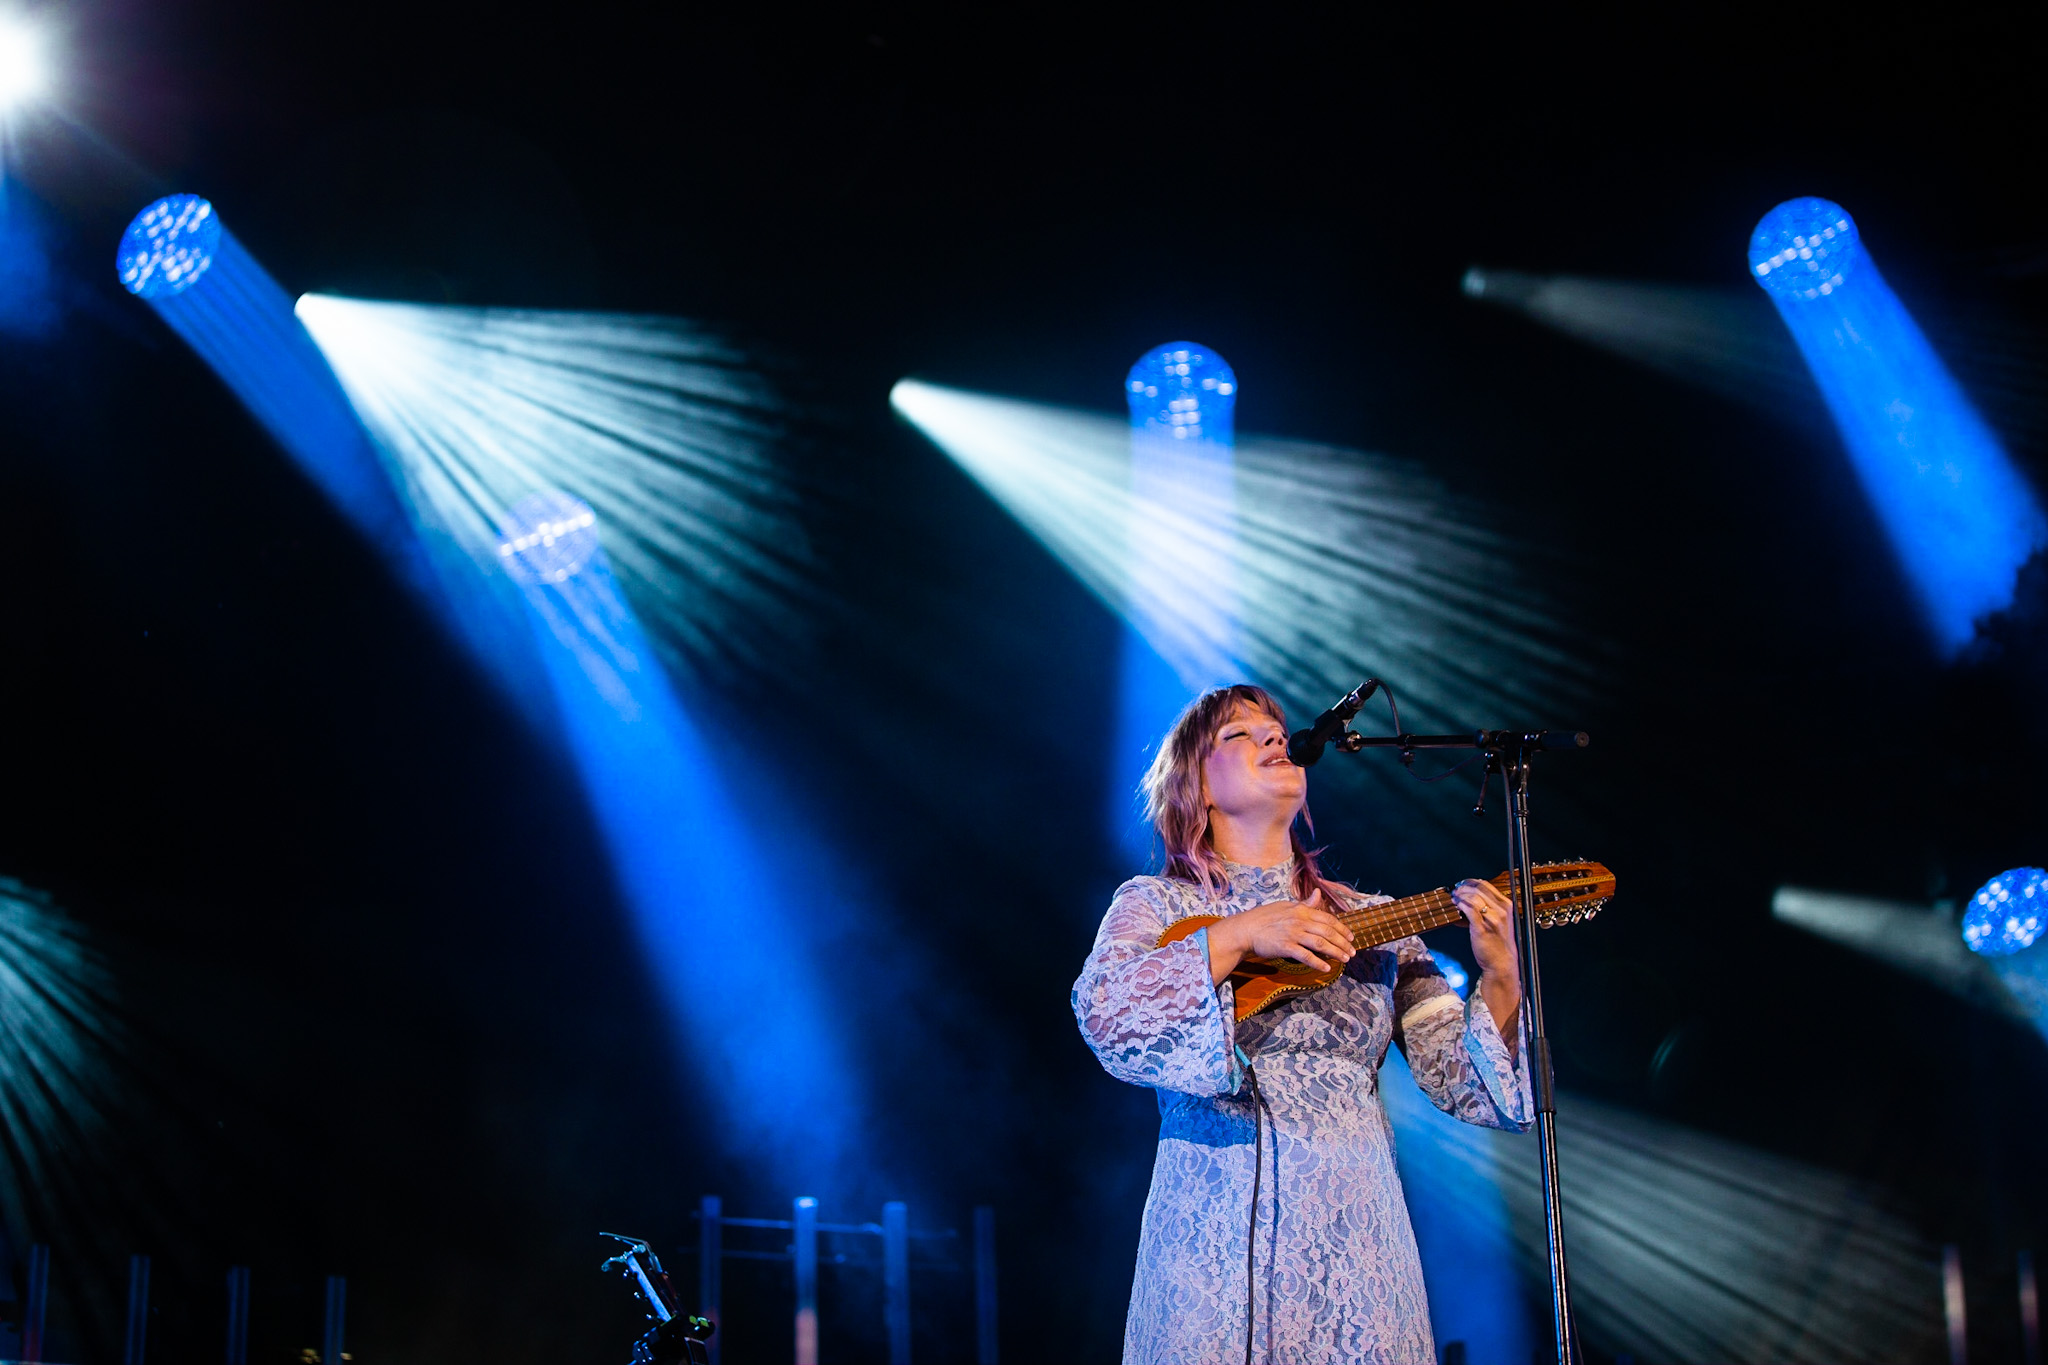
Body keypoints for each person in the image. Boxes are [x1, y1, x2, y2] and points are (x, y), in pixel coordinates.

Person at [1072, 684, 1533, 1365]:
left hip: (1358, 1240)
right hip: (1215, 1237)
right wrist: (1240, 934)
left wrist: (1501, 975)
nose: (1271, 738)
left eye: (1275, 731)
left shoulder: (1376, 920)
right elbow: (1107, 1014)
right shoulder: (1156, 904)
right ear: (1197, 789)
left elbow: (1473, 1089)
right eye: (1238, 734)